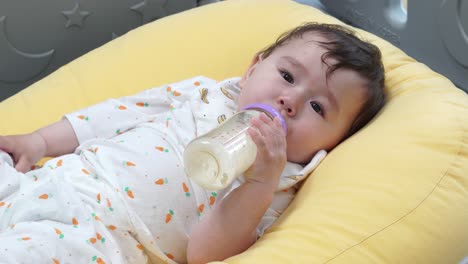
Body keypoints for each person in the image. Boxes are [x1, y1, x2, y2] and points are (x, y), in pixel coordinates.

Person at [0, 22, 385, 264]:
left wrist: (257, 185)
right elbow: (118, 114)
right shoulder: (203, 93)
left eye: (318, 107)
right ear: (253, 67)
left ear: (334, 144)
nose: (291, 101)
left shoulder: (280, 182)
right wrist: (38, 141)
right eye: (286, 75)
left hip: (100, 239)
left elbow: (206, 254)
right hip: (52, 181)